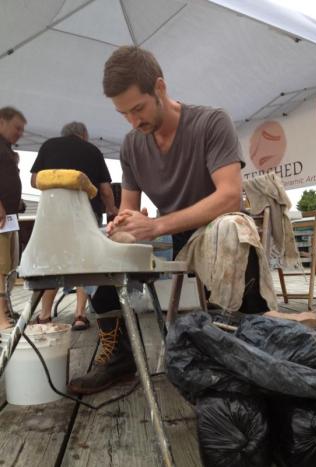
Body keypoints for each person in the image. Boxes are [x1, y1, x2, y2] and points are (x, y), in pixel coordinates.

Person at [68, 45, 271, 395]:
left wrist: (157, 225)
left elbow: (229, 196)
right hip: (176, 238)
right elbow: (132, 208)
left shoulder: (211, 122)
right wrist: (123, 225)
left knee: (230, 229)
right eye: (123, 114)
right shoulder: (132, 145)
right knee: (103, 244)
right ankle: (120, 357)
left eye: (138, 109)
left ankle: (254, 344)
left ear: (159, 88)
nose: (133, 122)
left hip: (217, 230)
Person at [31, 121, 118, 330]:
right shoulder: (92, 150)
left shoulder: (48, 146)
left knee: (53, 261)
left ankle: (44, 316)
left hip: (53, 214)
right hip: (86, 214)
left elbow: (34, 180)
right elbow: (105, 190)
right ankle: (79, 315)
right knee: (84, 261)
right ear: (84, 135)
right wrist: (112, 210)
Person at [0, 106, 27, 331]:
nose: (20, 133)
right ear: (2, 122)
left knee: (9, 266)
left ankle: (6, 309)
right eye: (17, 128)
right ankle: (0, 317)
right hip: (1, 217)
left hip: (10, 216)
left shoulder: (7, 149)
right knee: (0, 267)